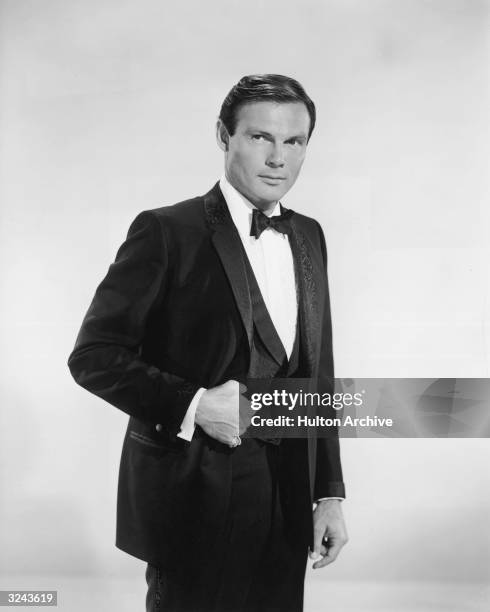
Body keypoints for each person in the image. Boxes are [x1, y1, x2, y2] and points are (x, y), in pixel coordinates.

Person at [68, 74, 348, 612]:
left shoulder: (309, 235)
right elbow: (94, 356)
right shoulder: (165, 231)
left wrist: (328, 493)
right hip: (192, 495)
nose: (278, 158)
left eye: (294, 142)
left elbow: (320, 370)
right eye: (260, 137)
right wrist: (194, 404)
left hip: (286, 496)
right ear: (224, 136)